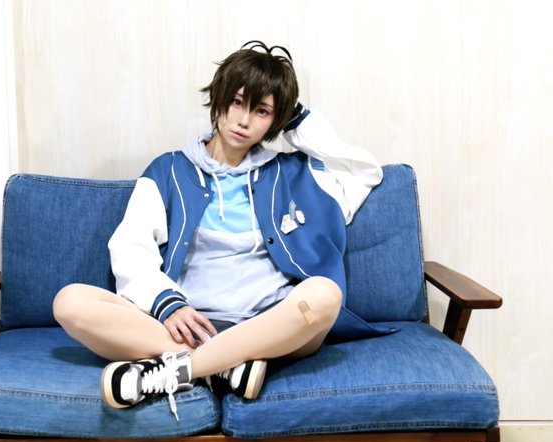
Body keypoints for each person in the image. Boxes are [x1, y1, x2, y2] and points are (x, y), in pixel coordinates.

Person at [53, 41, 389, 420]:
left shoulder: (296, 174)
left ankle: (181, 370)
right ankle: (230, 366)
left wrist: (295, 117)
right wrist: (167, 304)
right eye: (237, 102)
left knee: (324, 296)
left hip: (271, 324)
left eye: (262, 111)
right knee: (70, 303)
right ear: (220, 99)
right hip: (188, 326)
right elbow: (131, 247)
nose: (244, 121)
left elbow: (364, 171)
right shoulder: (169, 171)